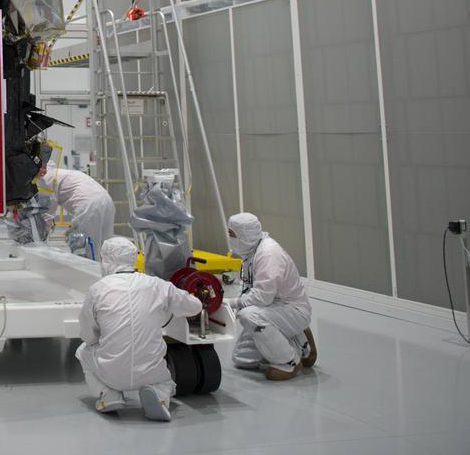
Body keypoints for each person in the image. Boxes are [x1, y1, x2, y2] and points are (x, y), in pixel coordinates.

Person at [76, 236, 205, 421]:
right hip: (151, 370)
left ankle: (109, 394)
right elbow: (194, 306)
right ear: (133, 258)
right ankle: (159, 395)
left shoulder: (98, 289)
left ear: (105, 261)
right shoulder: (155, 284)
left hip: (111, 372)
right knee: (164, 381)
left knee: (82, 351)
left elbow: (88, 334)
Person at [227, 212, 316, 380]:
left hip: (292, 309)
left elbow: (262, 298)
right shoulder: (251, 252)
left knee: (248, 315)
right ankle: (300, 342)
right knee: (242, 359)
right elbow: (249, 289)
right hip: (274, 309)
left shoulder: (269, 254)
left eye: (232, 234)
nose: (229, 238)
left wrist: (232, 304)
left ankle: (289, 362)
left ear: (244, 235)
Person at [35, 161, 116, 259]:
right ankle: (111, 272)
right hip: (107, 200)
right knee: (107, 246)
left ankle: (89, 272)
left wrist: (42, 232)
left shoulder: (44, 178)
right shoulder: (62, 173)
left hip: (88, 206)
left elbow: (48, 207)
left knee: (86, 248)